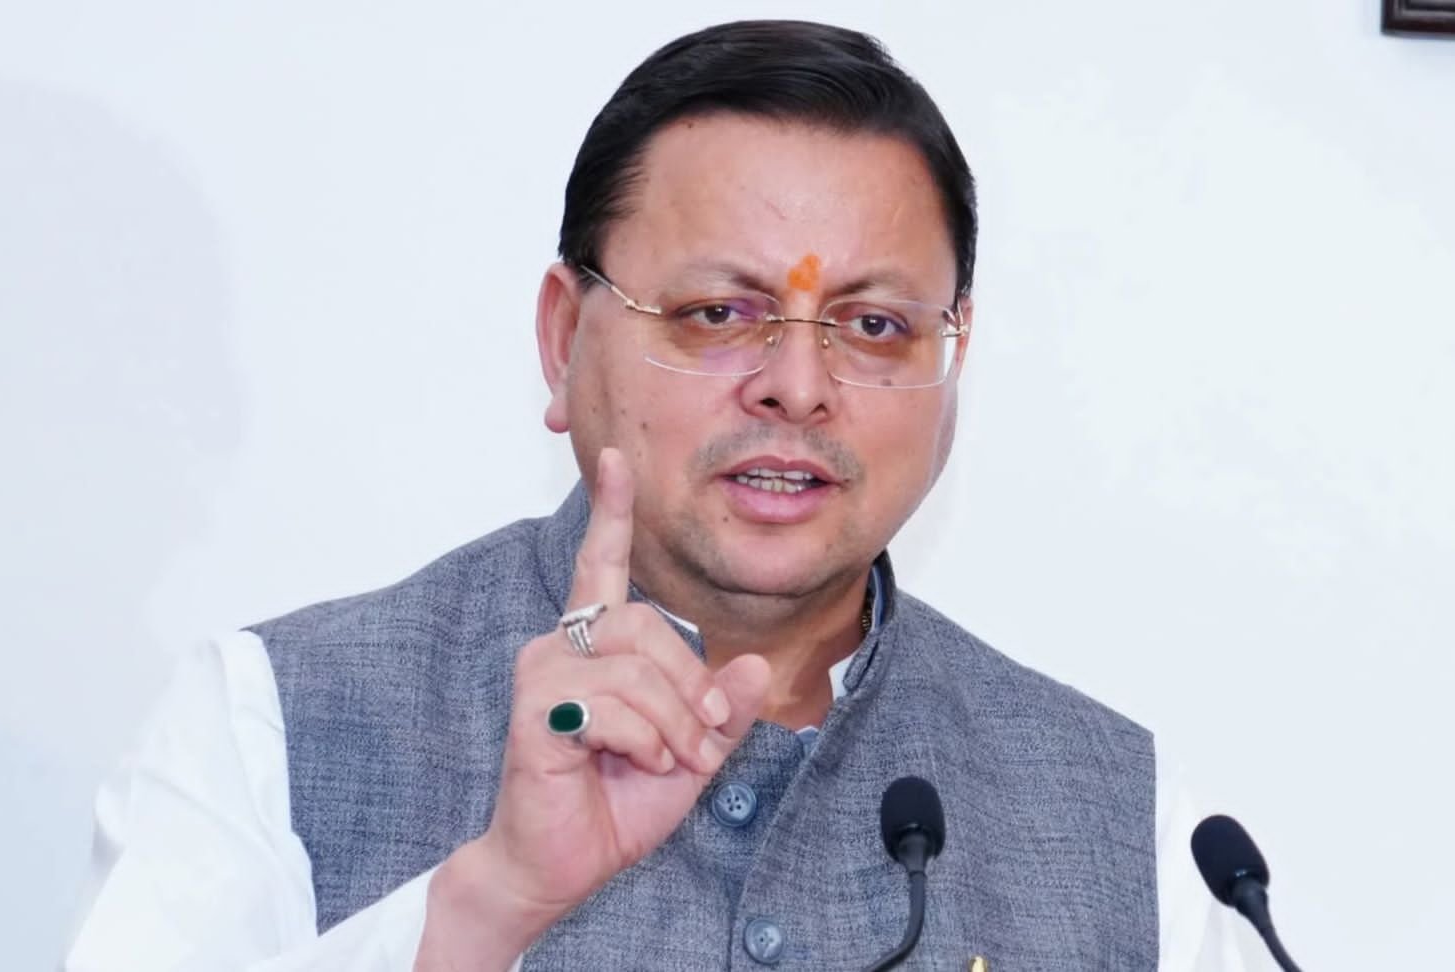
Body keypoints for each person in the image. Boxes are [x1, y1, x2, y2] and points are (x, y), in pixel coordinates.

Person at [65, 19, 1255, 972]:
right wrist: (487, 905)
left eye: (873, 326)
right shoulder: (269, 726)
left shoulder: (1137, 826)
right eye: (718, 314)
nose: (797, 387)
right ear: (562, 340)